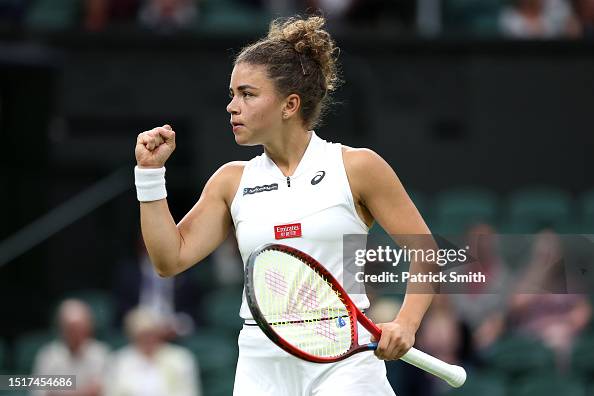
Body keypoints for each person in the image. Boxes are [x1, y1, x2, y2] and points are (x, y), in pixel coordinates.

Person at [134, 15, 434, 395]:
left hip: (344, 362)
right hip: (261, 366)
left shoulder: (358, 167)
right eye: (232, 94)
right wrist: (148, 176)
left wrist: (406, 323)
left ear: (289, 104)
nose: (231, 106)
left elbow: (426, 251)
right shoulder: (231, 180)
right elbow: (167, 260)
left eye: (247, 94)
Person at [105, 307, 200, 396]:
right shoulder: (119, 361)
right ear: (132, 337)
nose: (148, 340)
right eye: (142, 336)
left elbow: (188, 393)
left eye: (152, 334)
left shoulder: (180, 358)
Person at [31, 299, 109, 396]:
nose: (77, 333)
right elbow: (39, 393)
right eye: (72, 329)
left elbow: (104, 391)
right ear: (61, 328)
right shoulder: (47, 356)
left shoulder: (100, 353)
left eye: (81, 327)